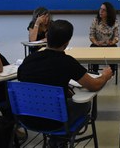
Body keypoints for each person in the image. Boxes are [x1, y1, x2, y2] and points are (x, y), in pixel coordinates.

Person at [18, 19, 113, 147]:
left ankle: (57, 141)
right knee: (84, 104)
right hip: (55, 121)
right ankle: (59, 141)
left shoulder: (28, 60)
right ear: (67, 42)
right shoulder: (67, 62)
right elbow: (94, 85)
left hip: (26, 117)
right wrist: (105, 76)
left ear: (47, 36)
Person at [89, 2, 119, 73]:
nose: (101, 11)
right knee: (93, 48)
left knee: (114, 48)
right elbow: (91, 36)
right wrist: (96, 42)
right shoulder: (95, 20)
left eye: (104, 10)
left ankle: (111, 72)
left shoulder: (114, 21)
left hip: (110, 45)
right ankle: (94, 72)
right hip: (97, 44)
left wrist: (112, 42)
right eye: (100, 9)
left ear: (109, 12)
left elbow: (116, 37)